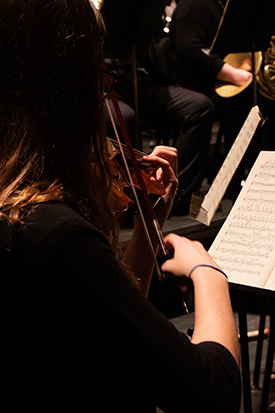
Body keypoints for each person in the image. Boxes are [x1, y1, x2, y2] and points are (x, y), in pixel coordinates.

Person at [1, 1, 241, 412]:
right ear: (67, 90)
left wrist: (149, 226)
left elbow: (104, 315)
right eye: (100, 84)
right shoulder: (54, 235)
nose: (103, 100)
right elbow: (211, 389)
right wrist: (208, 272)